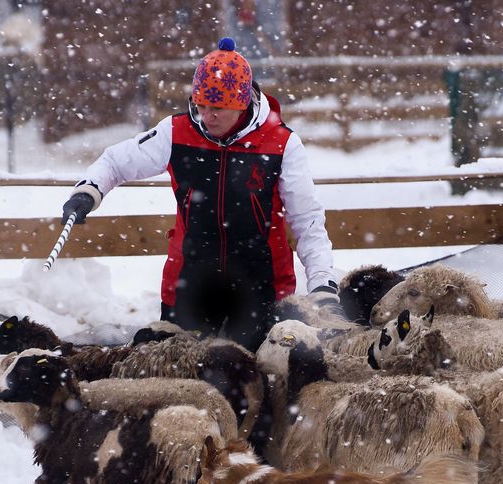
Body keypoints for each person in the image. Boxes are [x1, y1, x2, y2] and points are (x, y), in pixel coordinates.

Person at [60, 37, 338, 350]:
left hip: (262, 295)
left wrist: (322, 284)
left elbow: (308, 221)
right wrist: (88, 191)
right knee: (179, 388)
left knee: (256, 387)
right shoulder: (175, 132)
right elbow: (116, 161)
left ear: (242, 102)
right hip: (187, 292)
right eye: (201, 105)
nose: (208, 115)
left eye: (218, 107)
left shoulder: (282, 144)